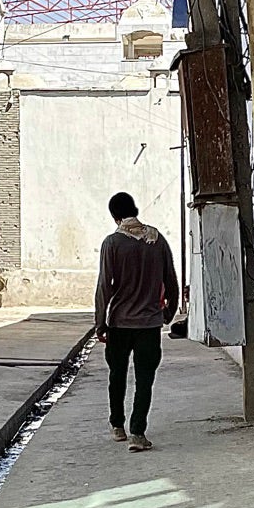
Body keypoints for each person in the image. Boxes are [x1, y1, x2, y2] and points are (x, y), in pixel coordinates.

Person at [93, 191, 179, 451]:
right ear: (135, 210)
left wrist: (100, 322)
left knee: (117, 374)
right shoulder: (157, 239)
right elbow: (171, 281)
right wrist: (168, 313)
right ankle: (138, 432)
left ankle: (117, 425)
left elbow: (104, 287)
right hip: (149, 324)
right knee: (145, 378)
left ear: (115, 216)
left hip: (119, 323)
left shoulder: (112, 243)